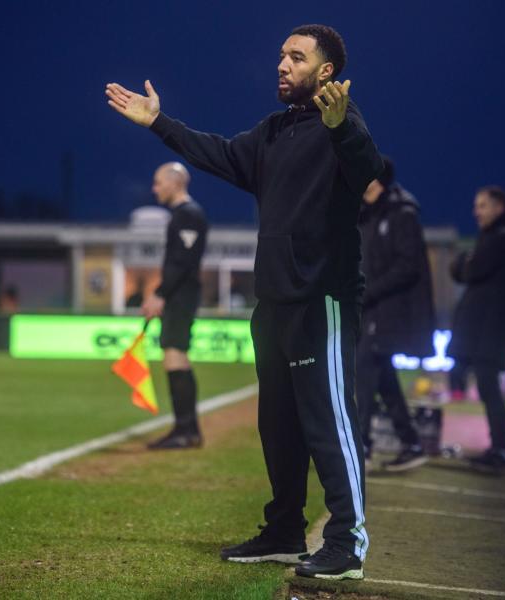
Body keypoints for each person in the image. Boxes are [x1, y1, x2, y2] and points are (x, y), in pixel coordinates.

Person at [105, 23, 383, 580]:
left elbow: (366, 170)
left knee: (329, 424)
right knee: (277, 426)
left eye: (297, 57)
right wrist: (160, 123)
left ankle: (347, 542)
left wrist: (339, 128)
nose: (282, 64)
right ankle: (282, 531)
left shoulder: (341, 124)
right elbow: (218, 154)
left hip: (320, 299)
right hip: (273, 303)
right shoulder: (273, 132)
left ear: (325, 72)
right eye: (281, 55)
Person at [356, 157, 435, 472]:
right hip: (373, 308)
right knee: (382, 376)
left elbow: (407, 267)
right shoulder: (367, 214)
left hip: (388, 309)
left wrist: (367, 291)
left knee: (365, 369)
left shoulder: (401, 213)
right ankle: (411, 443)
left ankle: (361, 445)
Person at [448, 186, 505, 471]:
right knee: (486, 386)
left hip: (491, 330)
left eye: (482, 205)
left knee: (488, 387)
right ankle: (498, 447)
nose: (476, 212)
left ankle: (501, 450)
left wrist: (461, 262)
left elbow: (469, 270)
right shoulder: (499, 238)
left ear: (499, 207)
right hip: (488, 329)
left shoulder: (502, 239)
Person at [136, 162, 209, 449]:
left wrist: (160, 294)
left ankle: (185, 430)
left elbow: (182, 263)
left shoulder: (188, 215)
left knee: (175, 355)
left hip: (181, 295)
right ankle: (188, 429)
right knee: (176, 355)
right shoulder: (184, 215)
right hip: (180, 294)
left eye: (158, 183)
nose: (154, 189)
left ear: (175, 182)